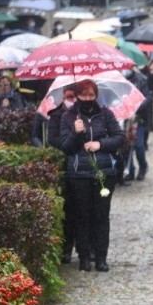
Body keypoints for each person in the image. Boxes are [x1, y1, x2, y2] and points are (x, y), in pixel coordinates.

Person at [59, 79, 126, 272]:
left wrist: (100, 144)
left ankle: (101, 256)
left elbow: (119, 137)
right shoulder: (68, 116)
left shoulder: (105, 114)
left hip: (104, 172)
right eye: (83, 95)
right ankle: (84, 257)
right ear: (77, 96)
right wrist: (76, 132)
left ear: (96, 95)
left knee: (101, 216)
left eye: (91, 95)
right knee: (82, 216)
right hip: (79, 173)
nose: (87, 99)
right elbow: (65, 146)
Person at [43, 84, 78, 263]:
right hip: (65, 166)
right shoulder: (56, 116)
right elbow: (53, 140)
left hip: (82, 165)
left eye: (74, 96)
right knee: (68, 212)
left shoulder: (83, 113)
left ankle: (83, 247)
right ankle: (66, 248)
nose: (71, 100)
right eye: (68, 96)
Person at [122, 65, 153, 181]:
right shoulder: (119, 82)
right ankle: (130, 170)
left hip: (138, 120)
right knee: (125, 147)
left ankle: (143, 167)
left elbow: (149, 98)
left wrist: (136, 107)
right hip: (123, 120)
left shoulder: (141, 81)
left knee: (139, 146)